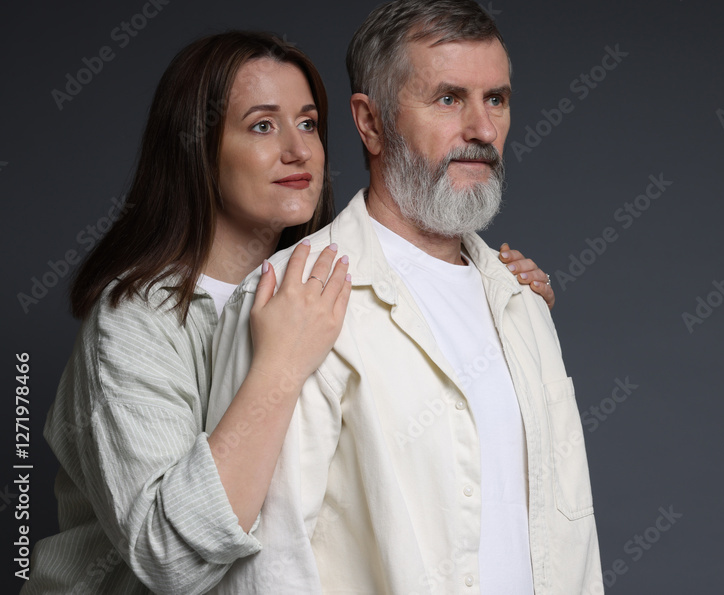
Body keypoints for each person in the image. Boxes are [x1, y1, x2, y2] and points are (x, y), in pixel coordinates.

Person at [25, 31, 553, 595]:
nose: (298, 150)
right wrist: (278, 367)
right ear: (195, 148)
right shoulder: (134, 321)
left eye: (307, 124)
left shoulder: (339, 284)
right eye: (261, 125)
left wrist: (495, 307)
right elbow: (170, 559)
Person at [207, 0, 602, 594]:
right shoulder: (294, 295)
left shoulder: (521, 300)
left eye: (496, 99)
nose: (482, 129)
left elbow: (568, 536)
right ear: (370, 122)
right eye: (449, 99)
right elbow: (267, 564)